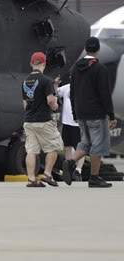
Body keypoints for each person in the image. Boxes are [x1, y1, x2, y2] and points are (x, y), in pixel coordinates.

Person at [63, 37, 116, 188]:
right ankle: (94, 178)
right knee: (98, 145)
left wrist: (74, 113)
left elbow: (72, 93)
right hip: (96, 114)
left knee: (86, 142)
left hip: (81, 114)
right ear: (98, 50)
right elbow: (105, 94)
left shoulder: (75, 68)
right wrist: (111, 115)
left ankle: (70, 162)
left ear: (85, 49)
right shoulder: (99, 68)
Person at [21, 52, 62, 187]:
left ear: (31, 64)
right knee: (54, 146)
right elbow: (50, 100)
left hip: (29, 120)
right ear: (44, 63)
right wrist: (55, 106)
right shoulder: (45, 80)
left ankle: (32, 179)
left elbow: (25, 104)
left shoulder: (25, 81)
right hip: (43, 120)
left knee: (31, 150)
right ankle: (47, 174)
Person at [55, 76, 84, 182]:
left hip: (78, 124)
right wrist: (55, 85)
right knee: (67, 147)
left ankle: (78, 170)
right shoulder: (67, 87)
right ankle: (69, 170)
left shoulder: (85, 88)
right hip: (66, 122)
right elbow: (57, 93)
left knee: (79, 148)